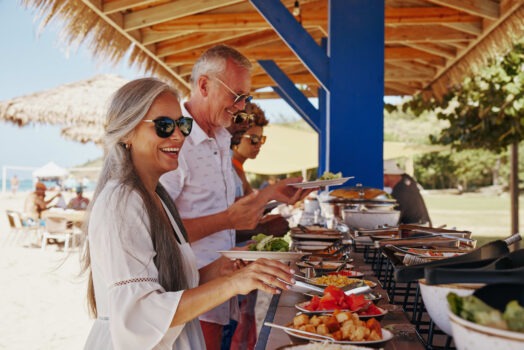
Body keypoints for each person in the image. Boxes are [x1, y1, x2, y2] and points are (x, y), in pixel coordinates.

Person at [81, 77, 296, 349]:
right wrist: (233, 285)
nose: (179, 136)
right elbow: (139, 314)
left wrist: (221, 271)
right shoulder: (121, 202)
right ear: (126, 133)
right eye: (163, 126)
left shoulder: (157, 196)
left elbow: (169, 287)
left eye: (183, 125)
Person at [160, 44, 312, 349]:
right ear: (204, 85)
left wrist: (270, 194)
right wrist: (230, 219)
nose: (241, 106)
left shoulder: (220, 138)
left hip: (224, 293)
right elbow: (160, 233)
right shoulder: (177, 142)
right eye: (236, 95)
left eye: (246, 98)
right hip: (193, 300)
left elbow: (227, 216)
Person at [383, 159, 431, 226]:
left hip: (416, 230)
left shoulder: (401, 191)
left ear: (386, 175)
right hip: (422, 226)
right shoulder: (406, 180)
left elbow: (393, 218)